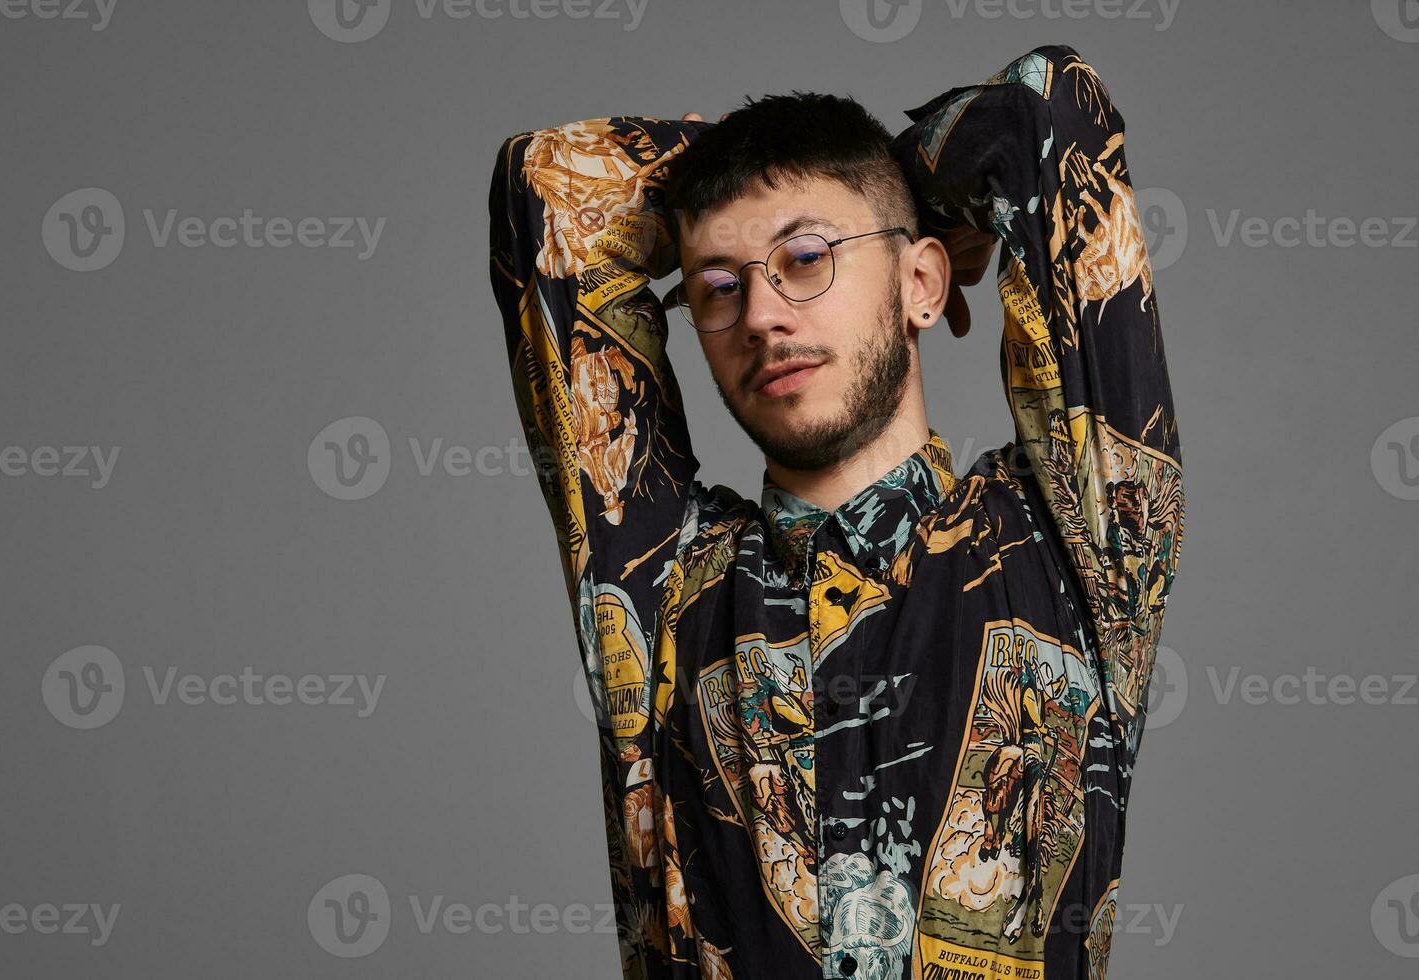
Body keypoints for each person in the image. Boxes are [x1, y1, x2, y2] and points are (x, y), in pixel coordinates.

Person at [487, 43, 1183, 980]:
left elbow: (1048, 115)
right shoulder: (658, 586)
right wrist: (823, 183)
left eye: (807, 257)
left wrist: (872, 167)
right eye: (720, 286)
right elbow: (547, 195)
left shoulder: (1076, 542)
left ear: (922, 284)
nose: (764, 314)